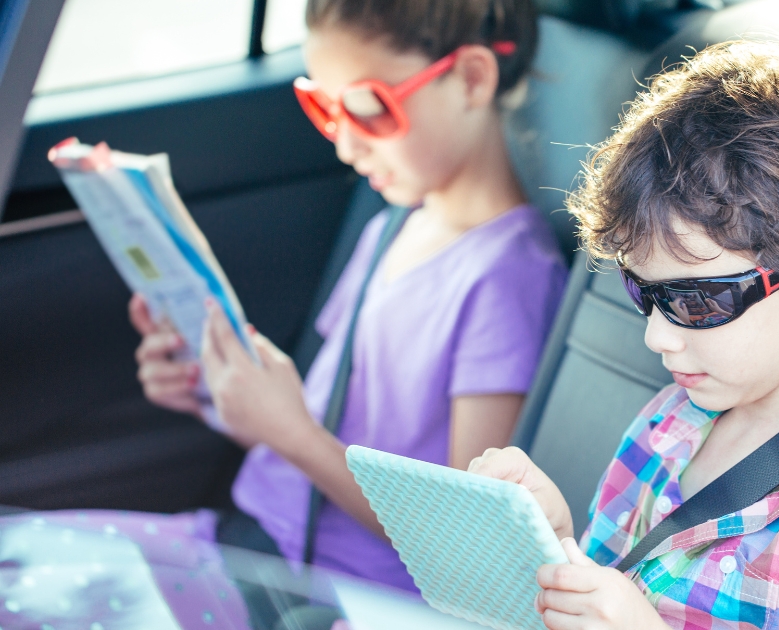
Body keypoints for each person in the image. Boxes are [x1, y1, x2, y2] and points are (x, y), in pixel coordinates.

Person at [469, 40, 779, 629]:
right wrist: (550, 550)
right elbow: (611, 590)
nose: (657, 336)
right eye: (644, 292)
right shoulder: (673, 420)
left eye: (695, 300)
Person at [125, 0, 565, 595]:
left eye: (367, 110)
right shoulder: (395, 223)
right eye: (325, 110)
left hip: (338, 590)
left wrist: (293, 436)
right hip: (253, 539)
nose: (345, 147)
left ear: (471, 78)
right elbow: (327, 420)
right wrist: (222, 395)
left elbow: (470, 536)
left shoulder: (507, 279)